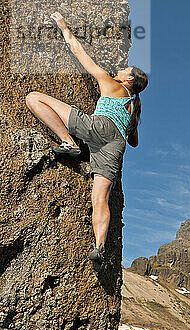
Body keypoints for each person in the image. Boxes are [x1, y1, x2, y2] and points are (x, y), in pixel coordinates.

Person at [25, 12, 148, 264]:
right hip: (117, 145)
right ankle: (99, 246)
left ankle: (68, 142)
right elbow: (134, 141)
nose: (121, 68)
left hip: (99, 128)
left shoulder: (111, 83)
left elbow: (80, 54)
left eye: (126, 69)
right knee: (100, 198)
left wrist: (62, 25)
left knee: (34, 98)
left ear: (130, 78)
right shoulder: (134, 106)